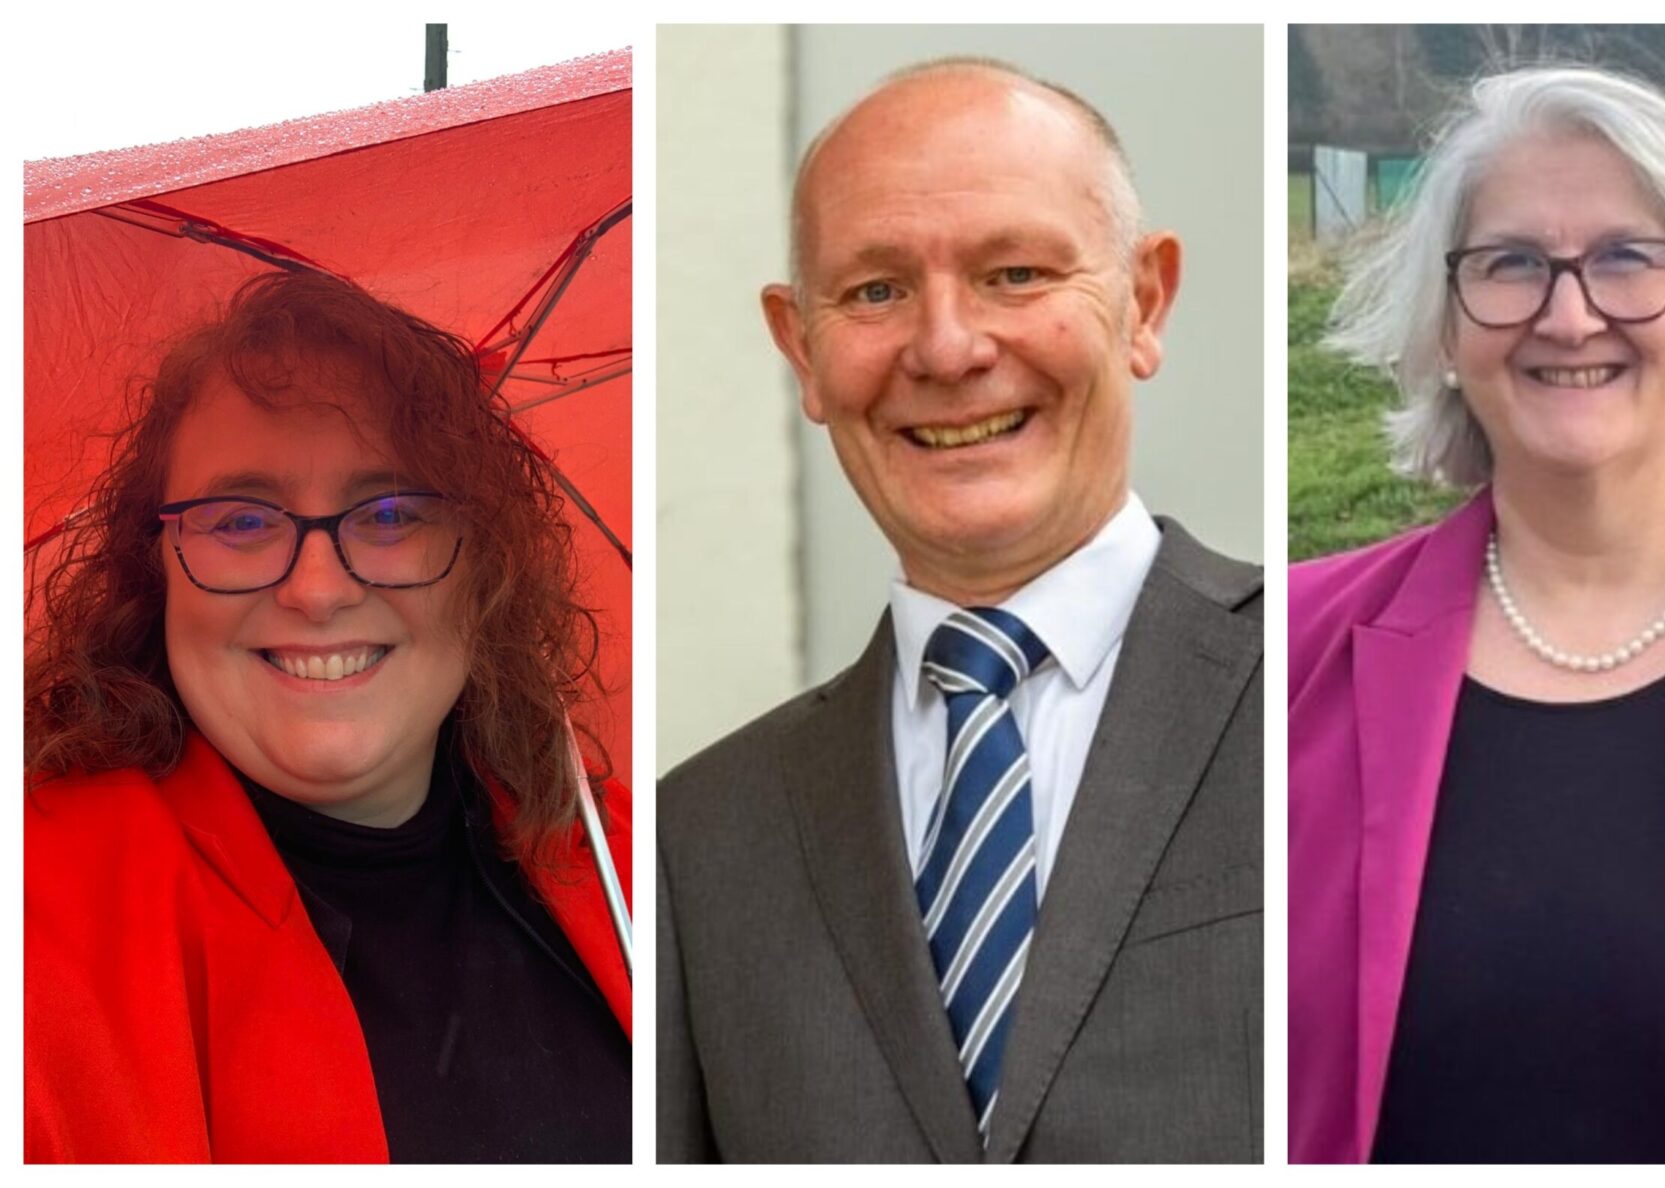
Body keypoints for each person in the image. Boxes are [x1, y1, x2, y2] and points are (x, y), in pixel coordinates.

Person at [657, 58, 1262, 1163]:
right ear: (801, 347)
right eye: (876, 291)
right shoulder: (697, 840)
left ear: (1146, 300)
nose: (946, 348)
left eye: (1016, 273)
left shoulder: (1335, 689)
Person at [1290, 66, 1665, 1164]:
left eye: (1626, 256)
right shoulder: (1279, 656)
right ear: (1448, 313)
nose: (1569, 316)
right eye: (1512, 263)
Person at [24, 271, 633, 1163]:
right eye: (239, 520)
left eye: (391, 512)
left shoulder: (626, 867)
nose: (316, 589)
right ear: (153, 566)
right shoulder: (34, 919)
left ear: (487, 564)